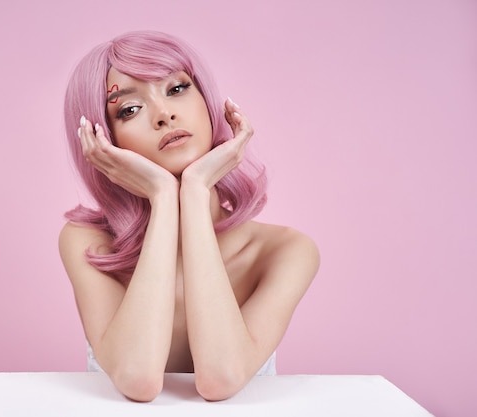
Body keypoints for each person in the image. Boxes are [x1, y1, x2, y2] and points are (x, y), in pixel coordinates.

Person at [59, 30, 319, 402]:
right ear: (104, 140)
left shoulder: (285, 251)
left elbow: (221, 378)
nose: (165, 114)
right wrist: (164, 196)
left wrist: (195, 190)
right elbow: (137, 379)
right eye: (129, 109)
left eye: (176, 88)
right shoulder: (88, 243)